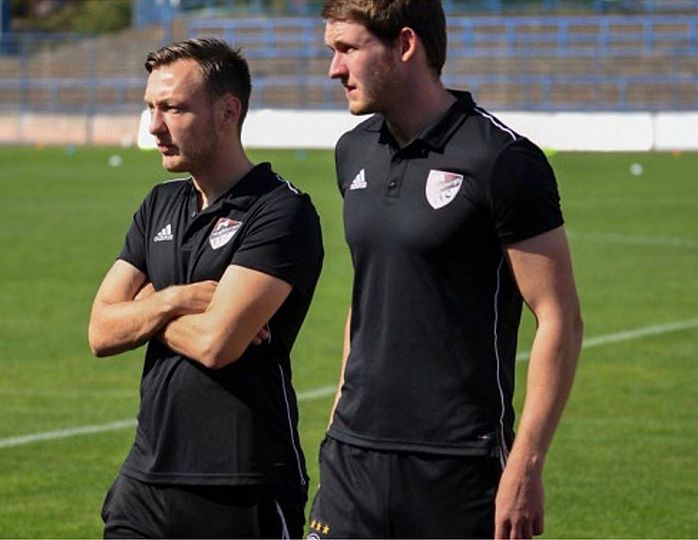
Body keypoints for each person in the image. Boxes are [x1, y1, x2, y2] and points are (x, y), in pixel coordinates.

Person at [308, 1, 583, 539]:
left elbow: (559, 318)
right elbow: (370, 293)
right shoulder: (353, 152)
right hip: (352, 459)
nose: (333, 69)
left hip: (457, 464)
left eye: (347, 50)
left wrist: (526, 464)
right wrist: (339, 415)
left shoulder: (503, 161)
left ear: (405, 45)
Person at [87, 37, 323, 539]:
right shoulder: (159, 204)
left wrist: (147, 308)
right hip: (145, 479)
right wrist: (176, 299)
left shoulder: (280, 211)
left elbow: (217, 344)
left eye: (173, 108)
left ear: (227, 112)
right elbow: (101, 331)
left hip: (242, 480)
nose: (154, 127)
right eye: (150, 107)